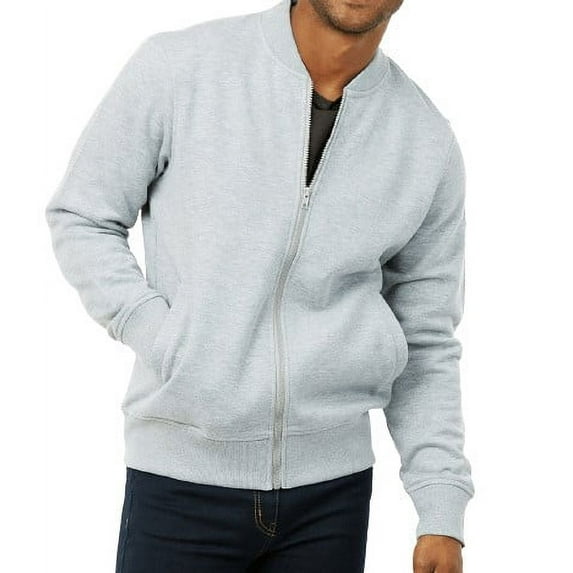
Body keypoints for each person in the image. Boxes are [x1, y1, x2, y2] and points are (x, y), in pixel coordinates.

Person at [44, 0, 475, 571]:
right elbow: (83, 216)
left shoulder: (424, 140)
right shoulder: (180, 68)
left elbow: (425, 338)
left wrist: (440, 505)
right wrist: (164, 339)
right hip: (180, 481)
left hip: (333, 499)